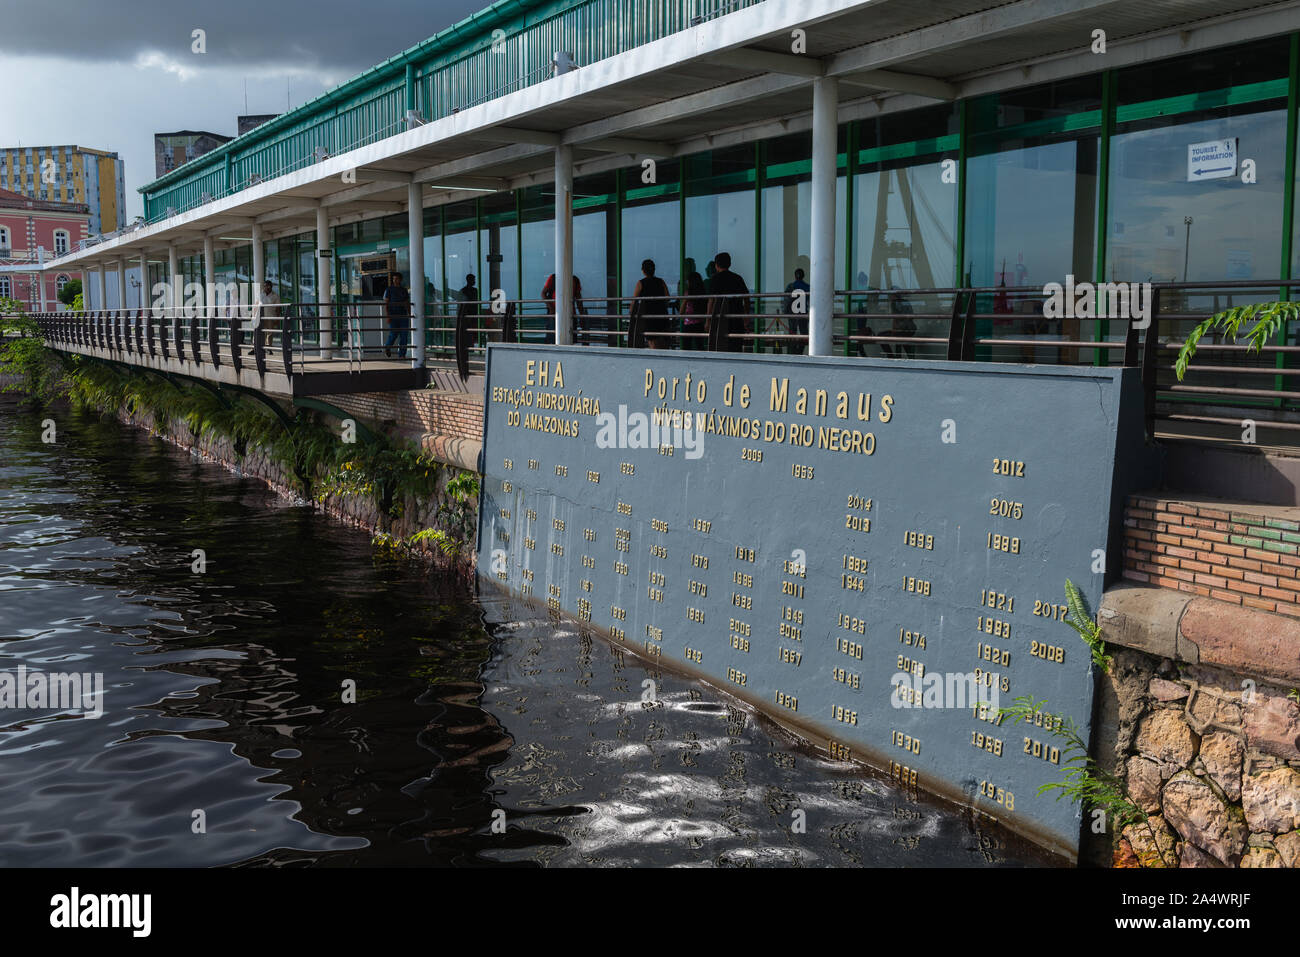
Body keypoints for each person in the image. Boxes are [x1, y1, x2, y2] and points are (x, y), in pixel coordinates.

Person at [705, 251, 750, 352]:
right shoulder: (737, 278)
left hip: (720, 318)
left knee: (720, 346)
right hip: (736, 317)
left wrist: (708, 321)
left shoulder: (715, 279)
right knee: (736, 346)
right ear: (729, 264)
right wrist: (746, 315)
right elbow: (746, 298)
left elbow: (711, 301)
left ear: (716, 265)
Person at [632, 259, 671, 349]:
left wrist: (631, 313)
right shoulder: (661, 281)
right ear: (654, 270)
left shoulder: (641, 283)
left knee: (653, 343)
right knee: (665, 344)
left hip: (649, 318)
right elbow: (667, 298)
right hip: (662, 315)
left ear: (643, 270)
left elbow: (634, 301)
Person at [542, 273, 587, 343]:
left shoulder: (575, 279)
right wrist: (551, 308)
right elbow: (543, 293)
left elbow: (578, 298)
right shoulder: (553, 278)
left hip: (570, 315)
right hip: (554, 315)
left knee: (571, 338)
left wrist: (581, 315)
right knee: (552, 338)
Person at [383, 271, 411, 358]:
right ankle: (387, 347)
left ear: (400, 280)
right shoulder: (389, 289)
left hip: (403, 315)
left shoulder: (404, 290)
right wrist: (388, 316)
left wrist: (410, 314)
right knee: (393, 333)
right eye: (393, 279)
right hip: (393, 315)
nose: (395, 280)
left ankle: (402, 354)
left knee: (404, 335)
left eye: (396, 279)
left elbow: (407, 303)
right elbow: (386, 303)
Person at [782, 268, 810, 354]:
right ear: (803, 276)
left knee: (792, 332)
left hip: (793, 313)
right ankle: (800, 351)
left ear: (795, 276)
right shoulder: (808, 287)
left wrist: (785, 311)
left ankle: (793, 351)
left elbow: (786, 300)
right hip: (803, 313)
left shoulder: (790, 286)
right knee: (803, 333)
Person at [679, 270, 707, 350]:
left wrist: (683, 316)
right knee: (700, 346)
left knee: (686, 347)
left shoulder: (688, 293)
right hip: (699, 323)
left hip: (688, 323)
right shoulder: (703, 293)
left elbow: (681, 311)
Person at [256, 280, 280, 349]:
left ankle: (269, 348)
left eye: (268, 286)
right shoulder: (260, 294)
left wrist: (277, 319)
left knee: (269, 333)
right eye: (265, 286)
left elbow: (278, 308)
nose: (266, 287)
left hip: (270, 317)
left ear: (271, 287)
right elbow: (256, 304)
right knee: (260, 332)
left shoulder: (275, 296)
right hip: (261, 317)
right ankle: (257, 347)